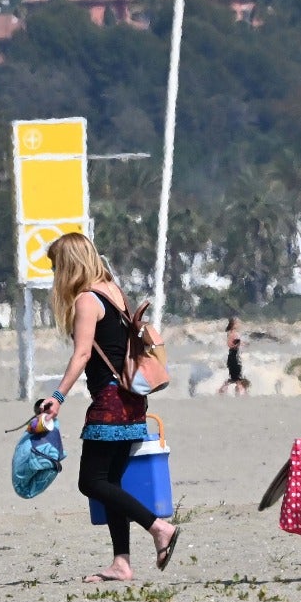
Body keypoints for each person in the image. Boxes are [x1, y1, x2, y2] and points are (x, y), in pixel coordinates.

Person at [40, 233, 180, 582]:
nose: (56, 274)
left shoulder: (87, 300)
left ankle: (159, 528)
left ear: (69, 265)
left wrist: (56, 397)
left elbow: (83, 354)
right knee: (112, 481)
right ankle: (121, 562)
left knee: (91, 481)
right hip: (132, 399)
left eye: (58, 266)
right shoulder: (112, 291)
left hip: (111, 401)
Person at [219, 316, 249, 395]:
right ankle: (244, 394)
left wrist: (241, 344)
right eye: (237, 323)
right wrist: (240, 344)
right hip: (234, 357)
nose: (239, 324)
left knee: (233, 379)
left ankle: (221, 391)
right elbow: (232, 344)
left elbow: (232, 344)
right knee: (238, 379)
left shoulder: (230, 333)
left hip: (232, 356)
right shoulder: (233, 334)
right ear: (233, 324)